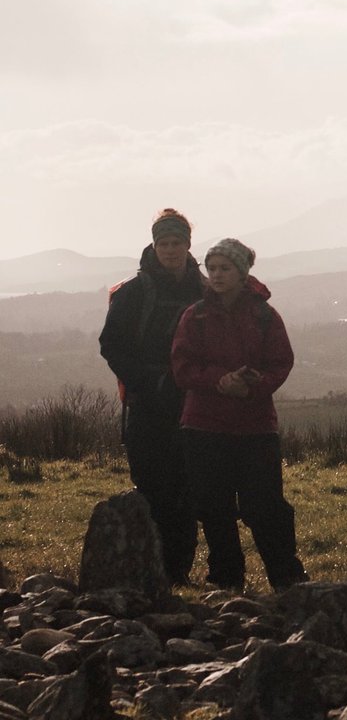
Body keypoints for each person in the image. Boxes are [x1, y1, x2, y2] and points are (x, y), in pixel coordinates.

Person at [171, 238, 306, 592]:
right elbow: (182, 368)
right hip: (203, 427)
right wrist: (219, 381)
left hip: (254, 427)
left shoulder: (265, 316)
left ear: (242, 272)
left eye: (225, 268)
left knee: (265, 507)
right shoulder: (195, 316)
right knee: (213, 508)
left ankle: (287, 579)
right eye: (212, 268)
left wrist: (251, 386)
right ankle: (226, 581)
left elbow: (281, 363)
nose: (216, 275)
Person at [99, 207, 204, 585]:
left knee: (187, 492)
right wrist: (150, 383)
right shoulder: (134, 293)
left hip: (194, 404)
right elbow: (111, 345)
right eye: (164, 244)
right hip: (147, 407)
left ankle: (178, 574)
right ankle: (154, 572)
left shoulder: (205, 289)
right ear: (154, 245)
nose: (171, 250)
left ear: (188, 245)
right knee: (153, 490)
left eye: (177, 243)